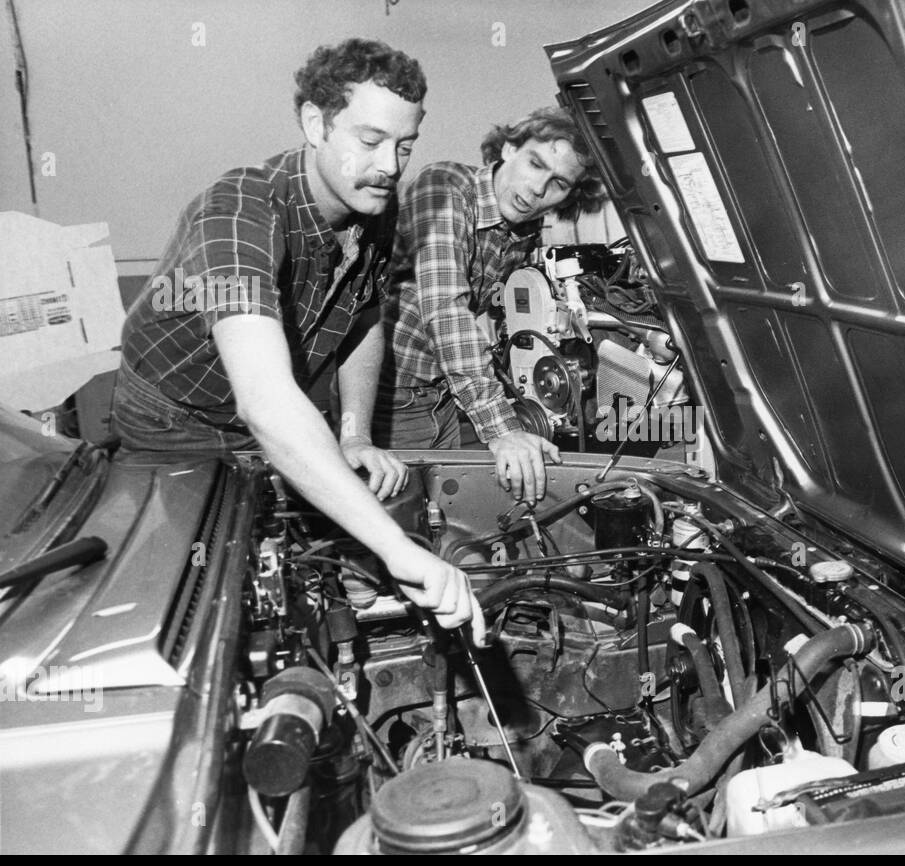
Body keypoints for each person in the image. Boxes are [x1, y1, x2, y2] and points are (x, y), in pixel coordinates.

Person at [110, 39, 483, 641]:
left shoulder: (373, 203)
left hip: (268, 411)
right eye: (370, 140)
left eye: (405, 145)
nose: (390, 165)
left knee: (299, 573)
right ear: (315, 123)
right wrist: (395, 549)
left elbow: (364, 318)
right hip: (172, 420)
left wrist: (355, 433)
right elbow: (266, 402)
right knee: (188, 594)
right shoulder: (237, 210)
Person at [375, 107, 605, 501]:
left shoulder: (525, 229)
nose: (538, 189)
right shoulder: (444, 188)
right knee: (402, 520)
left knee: (445, 517)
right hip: (392, 400)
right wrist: (503, 430)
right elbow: (446, 307)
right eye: (535, 164)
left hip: (444, 396)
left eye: (558, 183)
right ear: (509, 148)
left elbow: (504, 312)